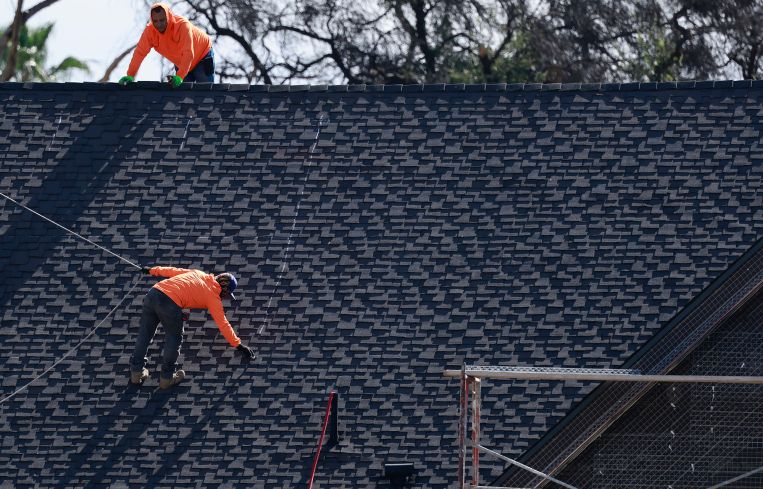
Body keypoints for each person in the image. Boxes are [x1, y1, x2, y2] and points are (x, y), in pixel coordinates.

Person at [130, 265, 254, 389]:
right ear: (225, 289)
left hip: (154, 293)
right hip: (170, 303)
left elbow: (173, 271)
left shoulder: (198, 273)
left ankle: (136, 373)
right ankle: (166, 378)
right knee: (174, 338)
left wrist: (151, 270)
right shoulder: (213, 297)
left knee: (145, 334)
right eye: (227, 295)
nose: (225, 298)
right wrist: (239, 345)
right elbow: (223, 323)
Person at [118, 3, 214, 87]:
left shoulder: (182, 25)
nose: (159, 24)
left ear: (168, 17)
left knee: (205, 93)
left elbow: (188, 53)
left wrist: (180, 76)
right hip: (182, 63)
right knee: (182, 98)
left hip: (202, 56)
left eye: (162, 20)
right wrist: (130, 74)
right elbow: (139, 53)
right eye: (155, 21)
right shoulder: (150, 32)